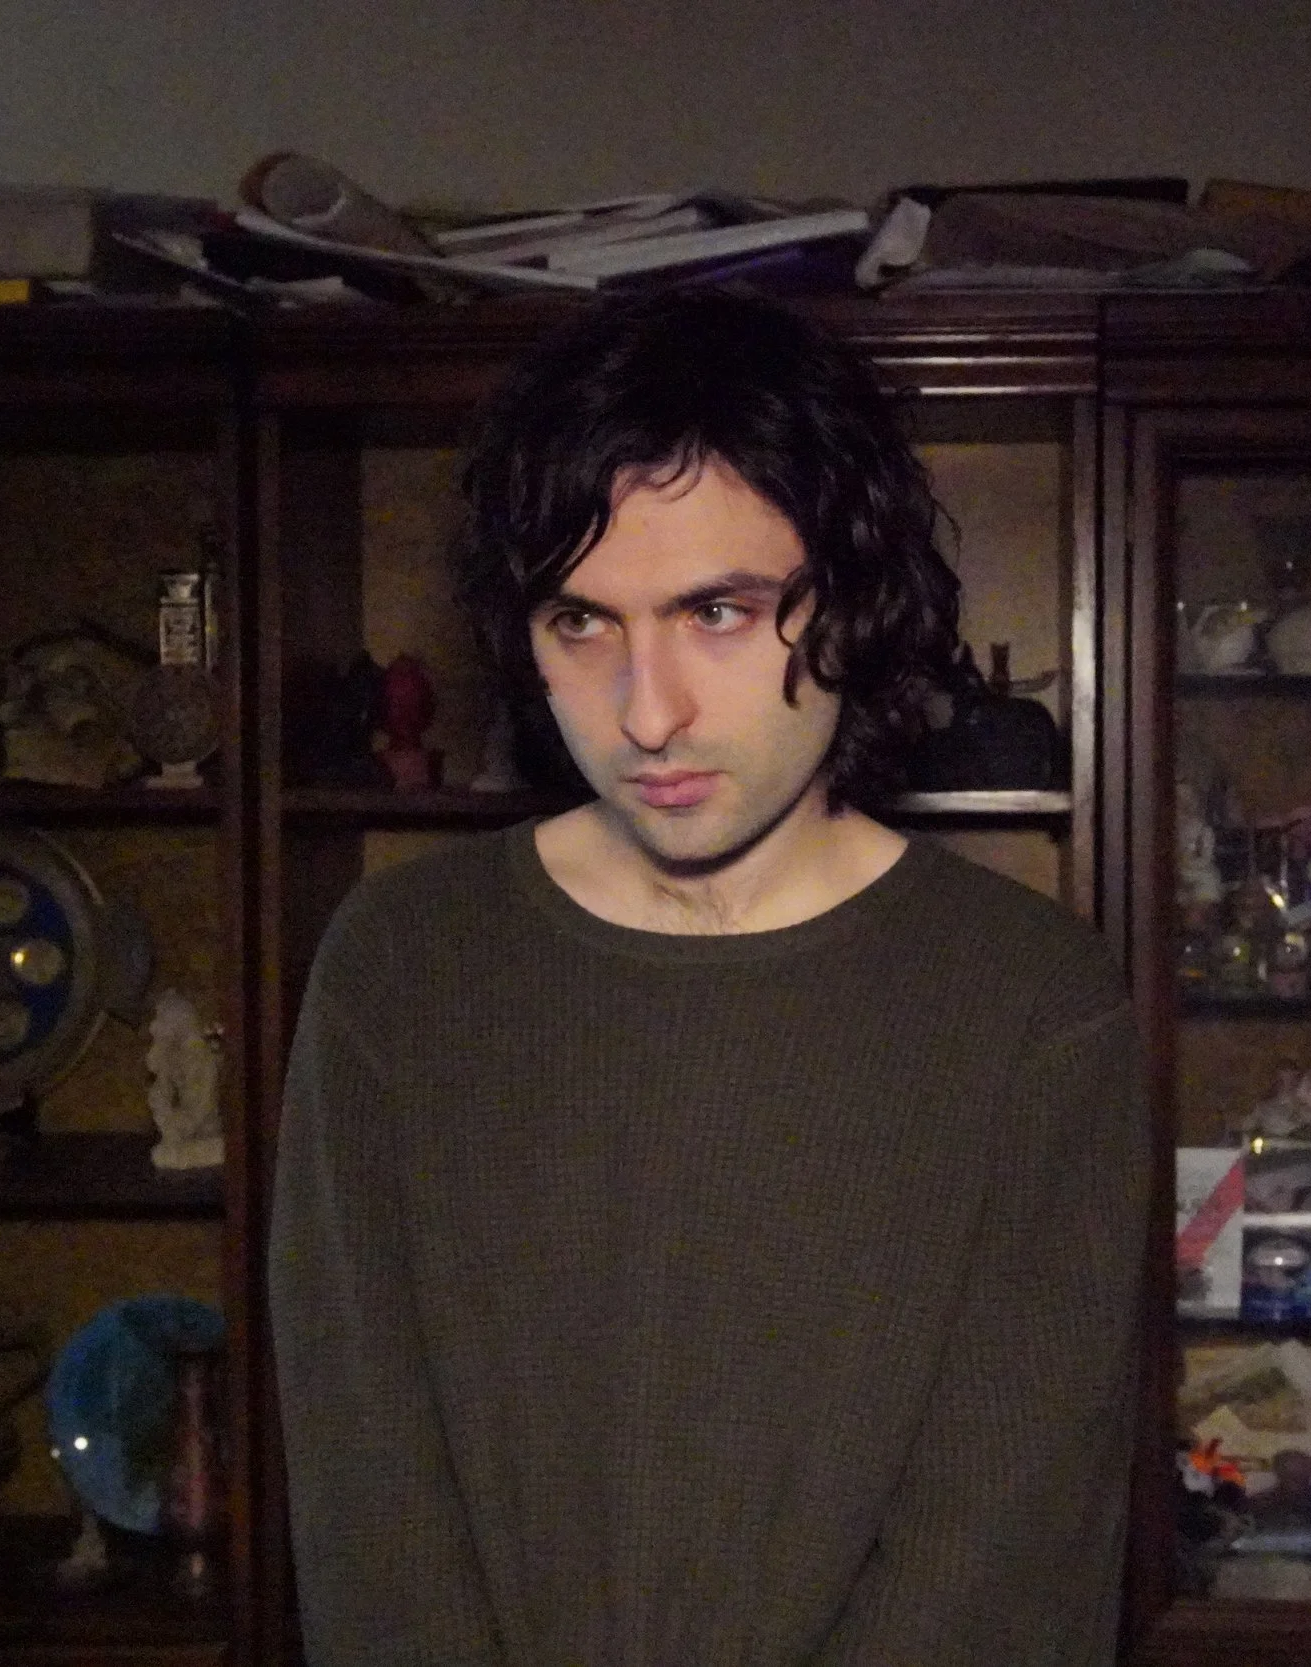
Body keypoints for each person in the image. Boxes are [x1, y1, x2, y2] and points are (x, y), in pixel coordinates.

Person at [270, 290, 1151, 1666]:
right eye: (582, 623)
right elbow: (365, 1503)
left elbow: (1005, 1559)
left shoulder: (1029, 1005)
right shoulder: (398, 974)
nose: (647, 710)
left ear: (854, 602)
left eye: (719, 612)